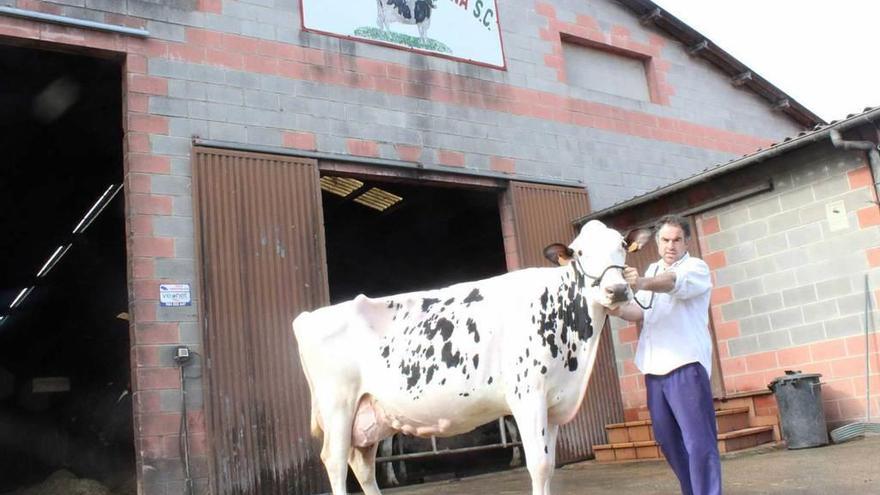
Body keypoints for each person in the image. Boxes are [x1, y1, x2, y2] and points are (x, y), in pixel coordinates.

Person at [608, 214, 720, 495]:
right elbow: (639, 312)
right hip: (654, 369)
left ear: (686, 241)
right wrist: (616, 309)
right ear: (657, 243)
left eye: (677, 239)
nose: (671, 245)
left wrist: (641, 282)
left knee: (698, 442)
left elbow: (672, 282)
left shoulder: (695, 267)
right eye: (665, 240)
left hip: (686, 365)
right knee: (668, 440)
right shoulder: (652, 268)